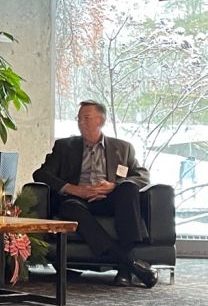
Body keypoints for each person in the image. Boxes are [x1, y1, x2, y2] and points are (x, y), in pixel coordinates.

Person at [33, 99, 157, 288]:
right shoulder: (65, 147)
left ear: (100, 121)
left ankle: (124, 266)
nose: (81, 122)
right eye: (79, 118)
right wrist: (74, 189)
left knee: (128, 188)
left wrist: (114, 185)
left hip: (109, 199)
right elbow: (40, 174)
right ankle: (128, 266)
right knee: (68, 207)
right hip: (78, 201)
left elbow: (142, 176)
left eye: (86, 118)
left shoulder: (123, 148)